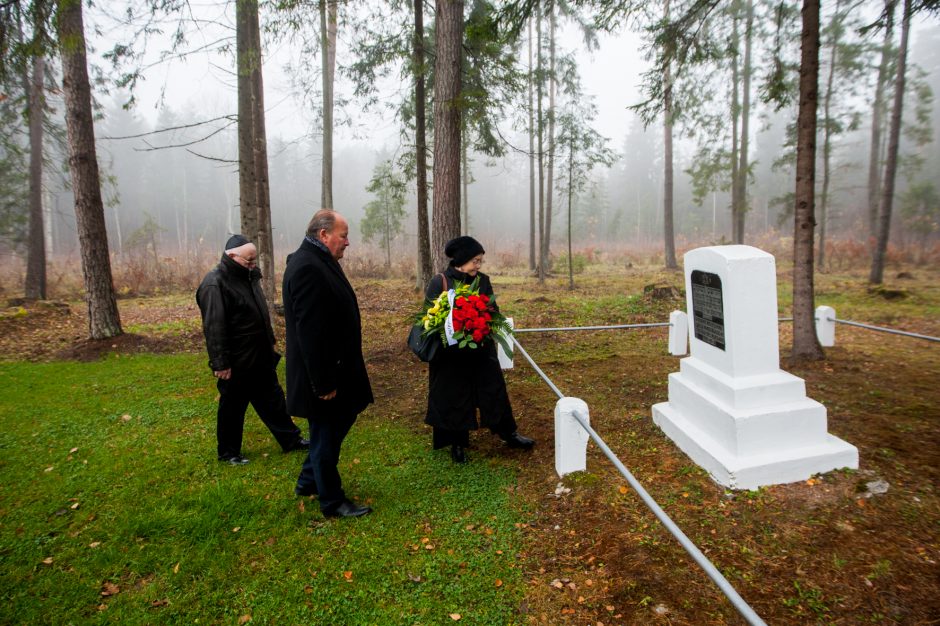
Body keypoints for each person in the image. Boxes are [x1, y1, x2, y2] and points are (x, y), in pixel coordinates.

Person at [282, 210, 374, 518]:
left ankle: (308, 480)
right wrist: (323, 383)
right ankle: (332, 501)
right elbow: (311, 333)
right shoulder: (308, 267)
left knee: (342, 418)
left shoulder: (318, 260)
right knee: (324, 434)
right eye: (343, 235)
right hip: (323, 374)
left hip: (337, 367)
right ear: (324, 235)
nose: (348, 242)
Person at [196, 235, 309, 465]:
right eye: (248, 261)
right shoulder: (214, 283)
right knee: (232, 408)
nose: (253, 264)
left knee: (274, 400)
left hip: (260, 357)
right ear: (231, 256)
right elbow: (214, 326)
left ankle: (290, 440)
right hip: (237, 362)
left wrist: (270, 340)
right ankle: (228, 452)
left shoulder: (249, 277)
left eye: (254, 260)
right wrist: (220, 363)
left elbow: (258, 314)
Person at [424, 235, 535, 463]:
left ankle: (507, 433)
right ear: (462, 260)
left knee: (493, 391)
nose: (478, 265)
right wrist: (453, 325)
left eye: (480, 261)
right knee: (455, 396)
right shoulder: (440, 281)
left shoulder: (483, 280)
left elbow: (493, 309)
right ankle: (457, 443)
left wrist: (484, 319)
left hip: (481, 349)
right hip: (451, 355)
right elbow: (430, 316)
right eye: (475, 260)